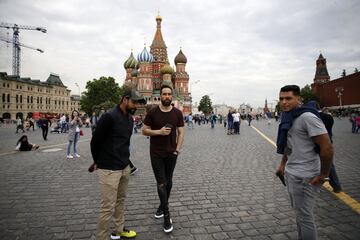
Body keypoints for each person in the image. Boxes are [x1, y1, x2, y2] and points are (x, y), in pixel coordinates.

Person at [276, 85, 333, 240]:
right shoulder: (289, 116)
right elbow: (289, 145)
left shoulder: (307, 117)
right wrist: (282, 165)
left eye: (288, 98)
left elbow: (327, 147)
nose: (284, 102)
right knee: (300, 215)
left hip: (307, 176)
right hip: (292, 173)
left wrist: (323, 175)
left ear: (299, 99)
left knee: (305, 217)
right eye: (281, 98)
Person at [90, 89, 146, 240]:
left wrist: (126, 164)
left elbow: (124, 143)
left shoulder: (129, 119)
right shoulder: (109, 116)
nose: (135, 106)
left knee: (121, 201)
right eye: (134, 102)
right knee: (107, 207)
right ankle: (101, 237)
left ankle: (119, 230)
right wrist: (98, 161)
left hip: (124, 167)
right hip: (108, 169)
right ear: (125, 99)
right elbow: (95, 142)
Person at [142, 85, 185, 233]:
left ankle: (161, 206)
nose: (167, 96)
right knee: (161, 183)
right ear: (160, 95)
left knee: (169, 182)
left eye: (169, 94)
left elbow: (181, 132)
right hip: (156, 154)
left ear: (171, 96)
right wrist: (159, 132)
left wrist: (177, 149)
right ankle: (167, 216)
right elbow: (144, 130)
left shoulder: (177, 113)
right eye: (164, 94)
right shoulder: (152, 112)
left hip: (171, 153)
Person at [319, 107, 342, 193]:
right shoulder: (329, 117)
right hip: (328, 140)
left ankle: (315, 185)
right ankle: (337, 186)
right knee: (330, 165)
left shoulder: (315, 117)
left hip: (318, 144)